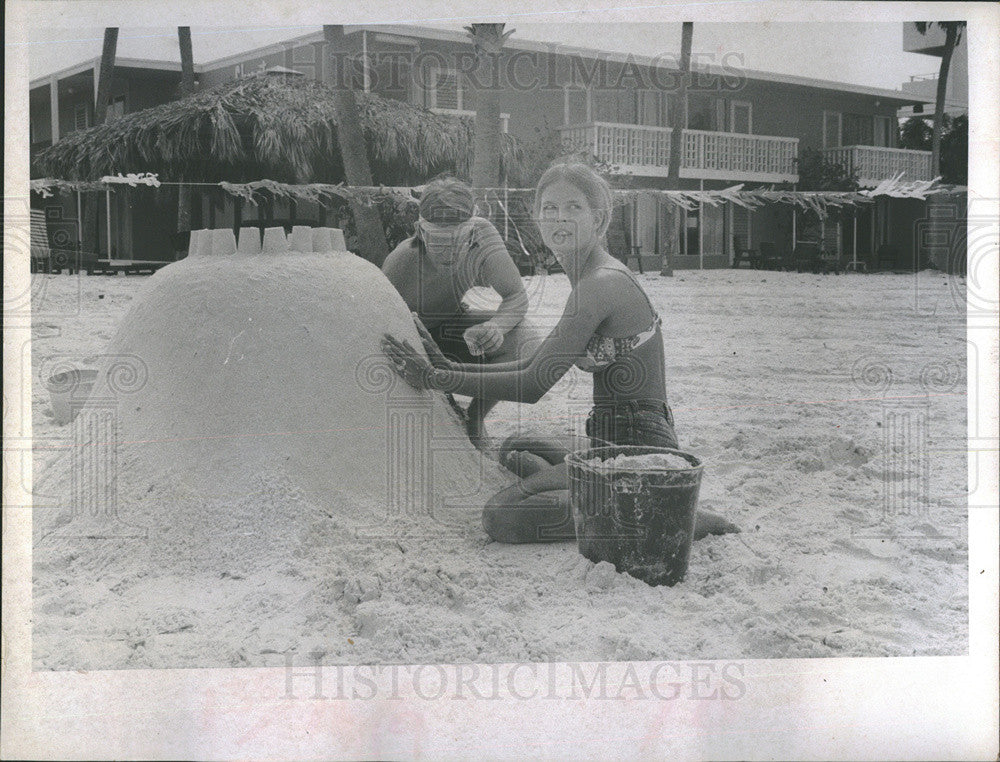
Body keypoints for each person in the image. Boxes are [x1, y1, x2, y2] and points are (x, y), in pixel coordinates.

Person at [382, 162, 738, 543]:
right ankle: (617, 495)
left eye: (573, 208)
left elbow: (534, 384)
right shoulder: (589, 277)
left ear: (599, 219)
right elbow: (535, 364)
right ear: (537, 217)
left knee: (501, 516)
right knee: (517, 448)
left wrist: (437, 376)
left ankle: (663, 511)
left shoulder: (600, 284)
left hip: (640, 447)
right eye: (549, 208)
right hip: (610, 438)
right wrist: (447, 367)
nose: (559, 219)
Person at [381, 176, 542, 448]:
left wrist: (496, 328)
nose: (449, 251)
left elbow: (515, 296)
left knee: (526, 341)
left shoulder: (483, 236)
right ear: (421, 231)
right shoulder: (402, 262)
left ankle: (475, 418)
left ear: (471, 231)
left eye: (458, 239)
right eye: (438, 240)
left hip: (452, 327)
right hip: (413, 337)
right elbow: (382, 329)